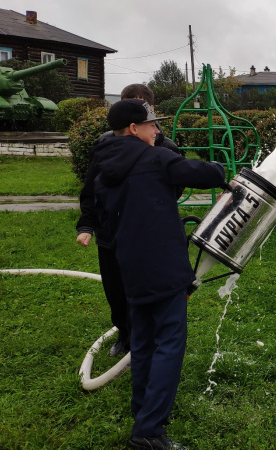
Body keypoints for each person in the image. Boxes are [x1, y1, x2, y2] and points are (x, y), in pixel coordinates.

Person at [93, 99, 225, 449]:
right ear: (134, 128)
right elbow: (207, 175)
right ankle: (149, 431)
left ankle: (144, 411)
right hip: (164, 267)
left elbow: (105, 216)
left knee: (143, 341)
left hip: (130, 267)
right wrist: (219, 166)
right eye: (152, 124)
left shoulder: (103, 166)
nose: (158, 130)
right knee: (169, 343)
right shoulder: (156, 158)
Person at [76, 84, 182, 357]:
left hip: (149, 238)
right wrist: (87, 225)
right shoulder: (104, 145)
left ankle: (153, 340)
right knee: (116, 291)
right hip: (110, 237)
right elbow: (91, 188)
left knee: (150, 291)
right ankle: (125, 335)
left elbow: (175, 191)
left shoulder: (166, 148)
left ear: (151, 110)